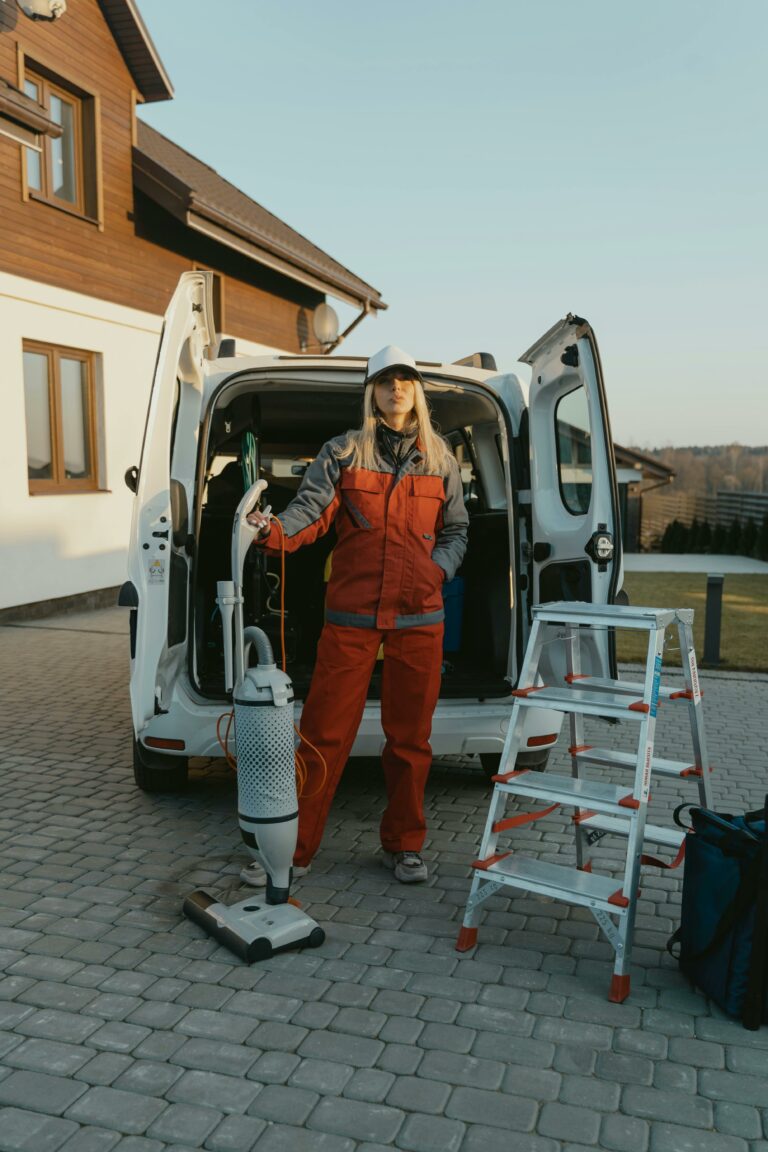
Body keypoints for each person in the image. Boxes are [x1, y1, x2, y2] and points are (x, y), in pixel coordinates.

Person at [240, 345, 468, 886]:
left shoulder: (441, 459)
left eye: (406, 380)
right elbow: (307, 515)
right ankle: (290, 852)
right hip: (351, 616)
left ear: (417, 391)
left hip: (420, 618)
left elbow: (458, 531)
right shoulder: (343, 452)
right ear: (372, 390)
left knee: (410, 741)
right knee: (323, 736)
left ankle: (405, 846)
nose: (397, 388)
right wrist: (269, 531)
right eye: (387, 380)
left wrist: (436, 573)